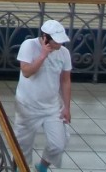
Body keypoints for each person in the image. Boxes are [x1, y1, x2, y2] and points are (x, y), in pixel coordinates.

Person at [13, 20, 73, 172]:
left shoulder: (64, 53)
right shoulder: (29, 46)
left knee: (58, 144)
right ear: (45, 38)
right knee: (22, 145)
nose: (59, 45)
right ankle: (21, 168)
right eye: (56, 42)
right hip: (27, 106)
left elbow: (65, 80)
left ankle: (42, 167)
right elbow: (26, 72)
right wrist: (42, 56)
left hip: (52, 107)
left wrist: (67, 107)